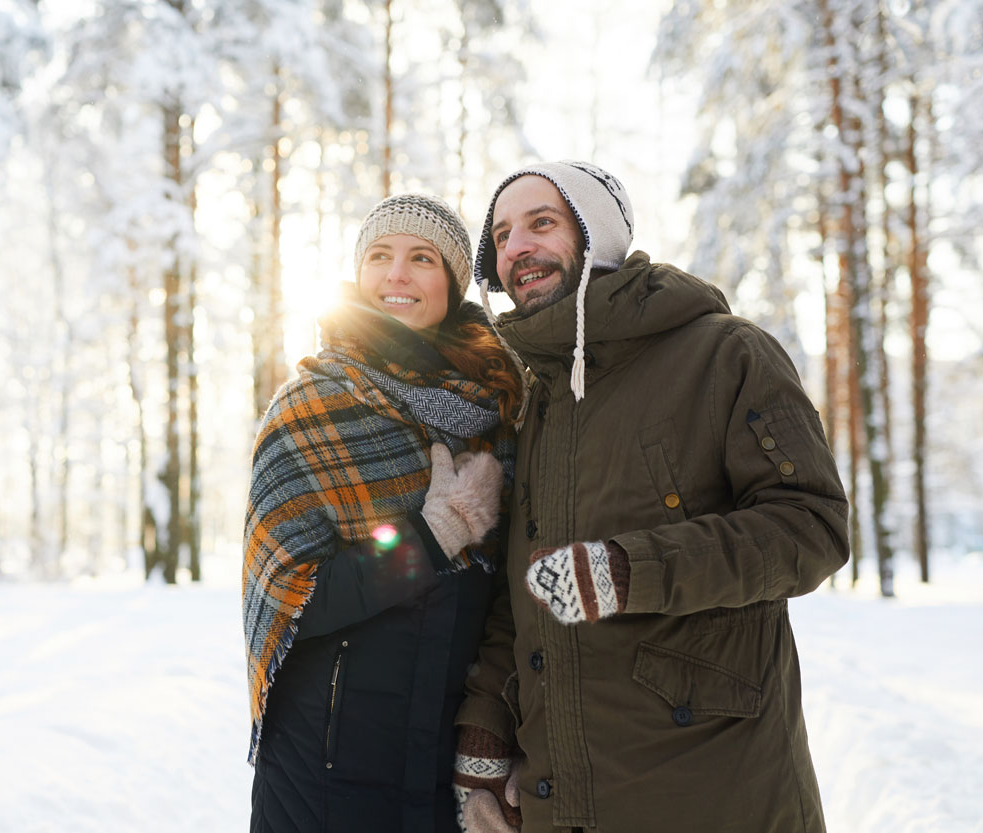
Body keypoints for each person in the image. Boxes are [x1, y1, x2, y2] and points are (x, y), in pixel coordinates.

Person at [451, 161, 850, 833]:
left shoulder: (726, 355)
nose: (516, 246)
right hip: (566, 801)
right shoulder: (531, 399)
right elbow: (521, 596)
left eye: (541, 222)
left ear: (596, 234)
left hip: (720, 796)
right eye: (502, 233)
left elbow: (811, 526)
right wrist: (484, 739)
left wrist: (630, 571)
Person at [243, 193, 527, 832]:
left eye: (421, 258)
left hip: (448, 766)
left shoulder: (502, 408)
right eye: (379, 256)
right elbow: (295, 600)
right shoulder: (308, 411)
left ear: (452, 284)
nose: (396, 275)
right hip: (324, 769)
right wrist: (436, 534)